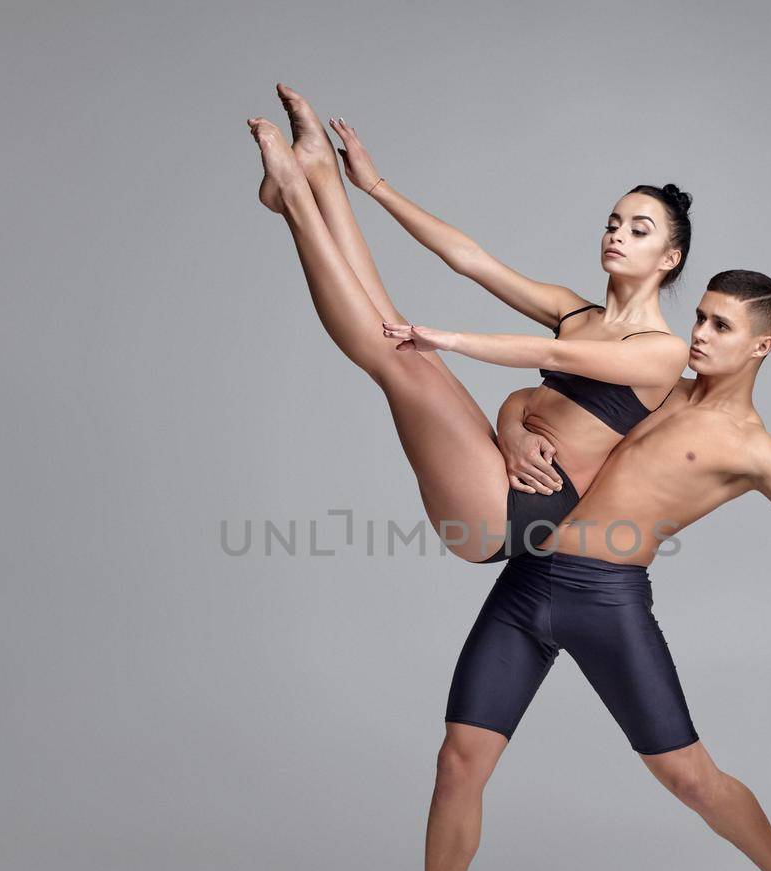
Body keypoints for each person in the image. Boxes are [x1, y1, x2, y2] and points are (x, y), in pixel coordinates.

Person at [360, 271, 771, 871]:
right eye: (700, 318)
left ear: (761, 346)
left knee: (690, 779)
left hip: (606, 599)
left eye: (720, 328)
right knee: (458, 761)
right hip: (527, 580)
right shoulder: (655, 381)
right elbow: (530, 397)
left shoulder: (753, 448)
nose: (699, 336)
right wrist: (518, 431)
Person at [249, 87, 690, 561]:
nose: (617, 235)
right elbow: (471, 260)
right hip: (495, 468)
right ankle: (321, 174)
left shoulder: (665, 350)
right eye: (612, 224)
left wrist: (451, 339)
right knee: (396, 336)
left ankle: (294, 196)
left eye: (638, 231)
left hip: (514, 513)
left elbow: (553, 355)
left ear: (669, 257)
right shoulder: (574, 311)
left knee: (401, 362)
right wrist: (376, 186)